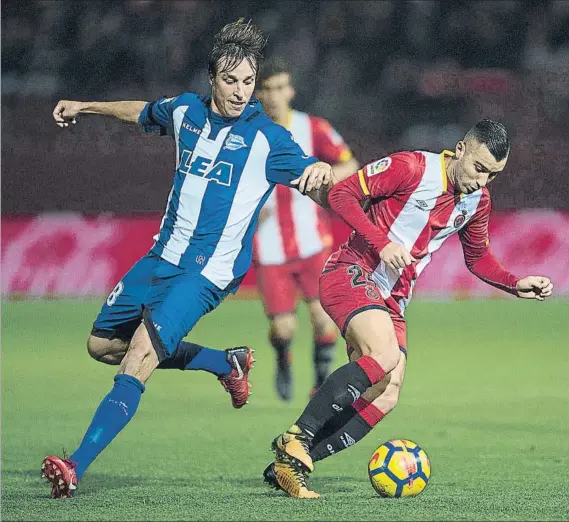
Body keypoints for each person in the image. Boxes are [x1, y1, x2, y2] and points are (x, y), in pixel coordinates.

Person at [42, 19, 333, 498]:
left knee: (137, 356)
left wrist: (324, 176)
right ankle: (225, 362)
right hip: (161, 256)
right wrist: (87, 106)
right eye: (231, 81)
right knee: (101, 346)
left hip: (208, 272)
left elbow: (314, 180)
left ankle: (74, 466)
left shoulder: (268, 139)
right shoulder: (185, 112)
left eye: (248, 82)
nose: (241, 92)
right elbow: (142, 111)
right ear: (212, 80)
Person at [263, 119, 554, 498]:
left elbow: (478, 256)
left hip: (393, 298)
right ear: (460, 149)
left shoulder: (477, 201)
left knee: (388, 390)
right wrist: (382, 243)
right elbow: (342, 196)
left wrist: (515, 283)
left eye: (493, 175)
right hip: (353, 270)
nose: (483, 181)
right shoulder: (412, 167)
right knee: (381, 355)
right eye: (479, 169)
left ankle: (294, 464)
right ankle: (295, 438)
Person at [254, 58, 359, 401]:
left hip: (313, 242)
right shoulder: (247, 133)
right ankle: (283, 357)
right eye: (267, 89)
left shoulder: (312, 127)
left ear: (291, 91)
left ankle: (320, 380)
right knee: (283, 328)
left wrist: (322, 177)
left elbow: (350, 164)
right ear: (258, 93)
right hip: (270, 247)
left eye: (280, 88)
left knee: (323, 318)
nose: (274, 96)